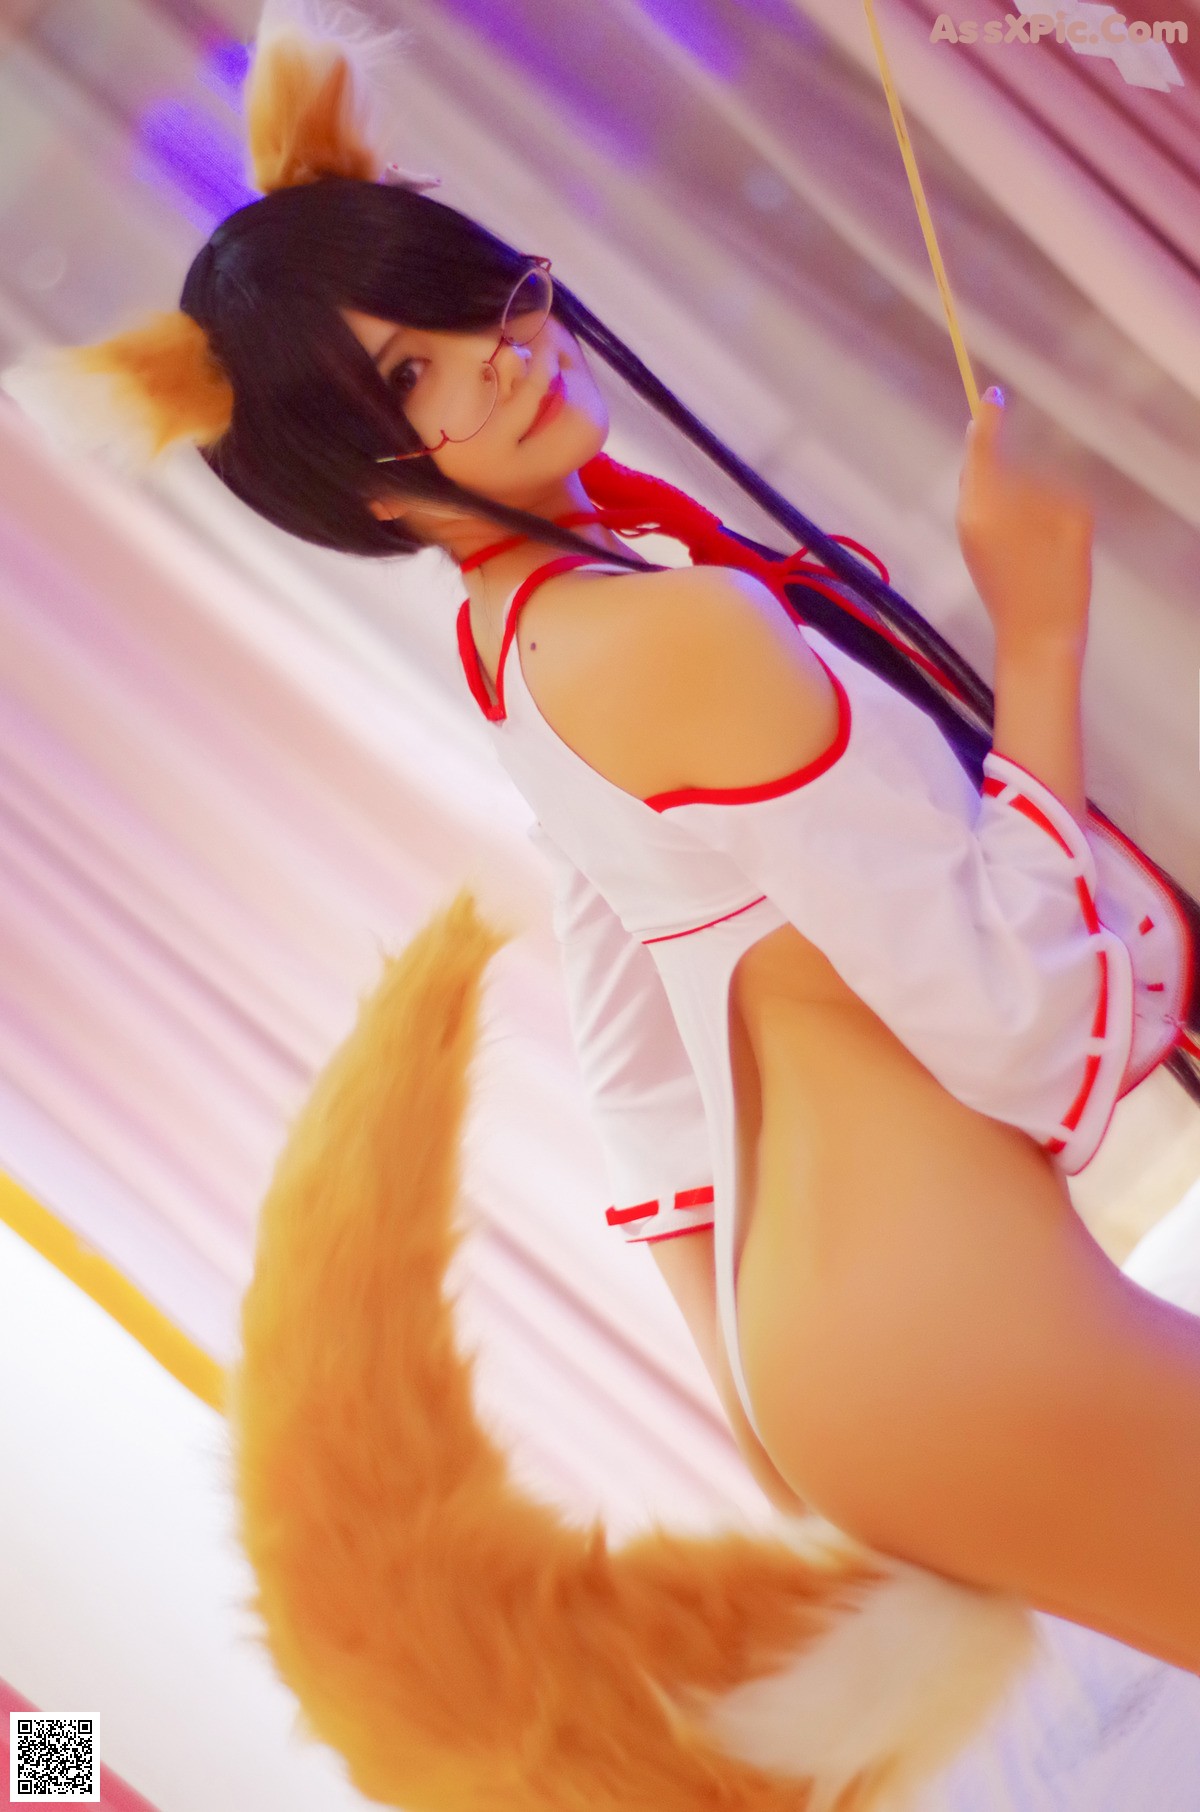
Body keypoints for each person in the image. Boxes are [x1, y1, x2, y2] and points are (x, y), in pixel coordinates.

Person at [5, 7, 1200, 1804]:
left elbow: (633, 1027)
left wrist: (745, 1374)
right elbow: (1014, 1017)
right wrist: (1039, 629)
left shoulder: (532, 640)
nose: (495, 361)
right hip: (948, 1331)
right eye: (408, 379)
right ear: (356, 484)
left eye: (465, 305)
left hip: (875, 1347)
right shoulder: (650, 634)